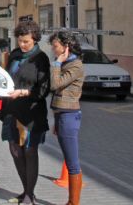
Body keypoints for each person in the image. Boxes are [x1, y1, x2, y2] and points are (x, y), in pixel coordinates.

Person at [0, 20, 50, 205]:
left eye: (26, 41)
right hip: (11, 110)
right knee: (14, 151)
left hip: (31, 113)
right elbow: (5, 78)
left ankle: (30, 194)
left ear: (35, 39)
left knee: (30, 151)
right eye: (20, 41)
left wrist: (22, 92)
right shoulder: (14, 55)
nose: (22, 45)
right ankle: (25, 189)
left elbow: (44, 89)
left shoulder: (41, 58)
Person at [49, 31, 84, 205]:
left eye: (55, 46)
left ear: (66, 47)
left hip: (70, 116)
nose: (53, 50)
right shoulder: (67, 63)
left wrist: (57, 63)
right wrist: (56, 120)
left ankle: (73, 203)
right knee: (70, 159)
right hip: (62, 115)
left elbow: (55, 84)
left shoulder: (75, 66)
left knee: (72, 162)